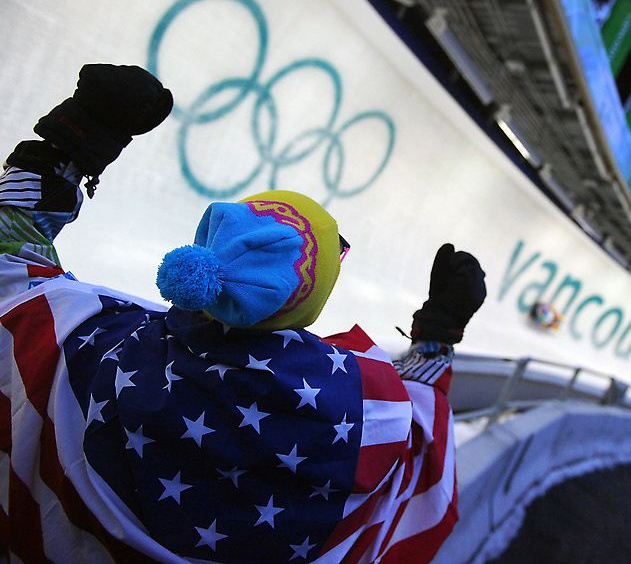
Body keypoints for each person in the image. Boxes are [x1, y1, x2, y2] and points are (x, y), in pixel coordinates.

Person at [0, 64, 486, 563]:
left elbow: (11, 269)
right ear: (304, 300)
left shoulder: (93, 343)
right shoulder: (362, 413)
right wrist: (437, 335)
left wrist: (70, 146)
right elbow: (421, 432)